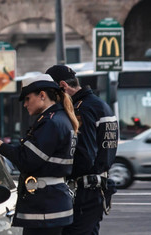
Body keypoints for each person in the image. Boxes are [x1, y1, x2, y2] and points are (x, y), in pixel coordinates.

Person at [0, 73, 79, 235]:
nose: (25, 104)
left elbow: (28, 160)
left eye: (28, 98)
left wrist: (1, 147)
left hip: (45, 208)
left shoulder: (50, 122)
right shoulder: (60, 119)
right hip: (52, 204)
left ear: (42, 95)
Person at [46, 65, 118, 235]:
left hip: (84, 191)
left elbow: (84, 156)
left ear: (63, 86)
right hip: (98, 187)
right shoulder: (100, 105)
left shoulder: (81, 109)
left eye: (51, 93)